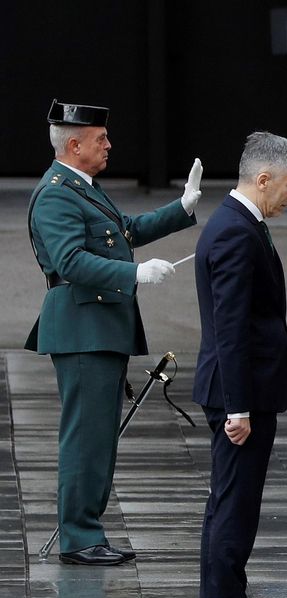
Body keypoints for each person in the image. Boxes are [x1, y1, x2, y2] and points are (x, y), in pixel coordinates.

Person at [27, 100, 202, 566]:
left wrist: (181, 208)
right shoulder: (56, 194)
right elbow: (69, 261)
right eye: (100, 138)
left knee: (98, 434)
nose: (109, 144)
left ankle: (86, 531)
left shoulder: (83, 187)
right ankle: (80, 537)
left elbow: (123, 231)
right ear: (74, 144)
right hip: (83, 326)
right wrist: (134, 274)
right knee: (87, 435)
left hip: (99, 324)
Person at [192, 132, 287, 598]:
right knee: (233, 512)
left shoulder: (239, 224)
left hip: (243, 391)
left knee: (230, 508)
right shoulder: (236, 233)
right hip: (240, 397)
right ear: (262, 179)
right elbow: (232, 327)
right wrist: (239, 407)